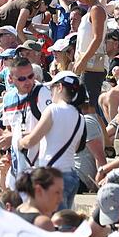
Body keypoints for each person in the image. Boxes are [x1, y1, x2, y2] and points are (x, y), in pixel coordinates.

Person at [18, 72, 86, 208]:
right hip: (71, 175)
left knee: (55, 224)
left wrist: (18, 141)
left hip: (54, 177)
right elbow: (76, 147)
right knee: (64, 222)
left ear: (59, 87)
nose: (50, 92)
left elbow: (31, 141)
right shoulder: (80, 117)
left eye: (52, 88)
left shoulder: (53, 109)